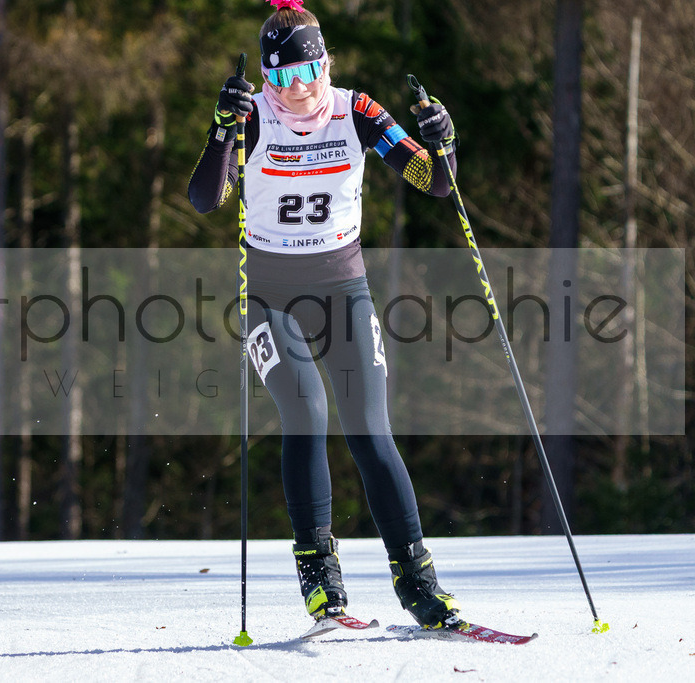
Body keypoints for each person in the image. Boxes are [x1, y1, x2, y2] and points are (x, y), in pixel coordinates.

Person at [188, 0, 462, 628]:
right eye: (280, 78)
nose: (299, 90)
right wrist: (221, 129)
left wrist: (444, 142)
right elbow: (207, 197)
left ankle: (417, 580)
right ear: (264, 77)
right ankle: (319, 572)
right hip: (269, 296)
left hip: (344, 289)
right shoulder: (254, 118)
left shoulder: (357, 110)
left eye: (308, 72)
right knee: (306, 411)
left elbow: (433, 182)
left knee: (370, 429)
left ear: (325, 64)